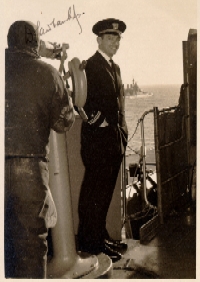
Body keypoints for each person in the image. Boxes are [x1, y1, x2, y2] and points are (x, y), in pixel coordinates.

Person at [5, 20, 75, 278]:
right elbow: (64, 121)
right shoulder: (48, 74)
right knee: (31, 244)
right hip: (29, 170)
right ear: (35, 43)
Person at [77, 18, 128, 262]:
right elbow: (81, 101)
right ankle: (92, 243)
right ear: (99, 40)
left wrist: (121, 129)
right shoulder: (90, 66)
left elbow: (118, 102)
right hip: (97, 141)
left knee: (105, 191)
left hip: (113, 140)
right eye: (110, 38)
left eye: (117, 38)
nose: (115, 42)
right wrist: (101, 121)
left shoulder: (114, 68)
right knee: (94, 192)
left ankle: (100, 236)